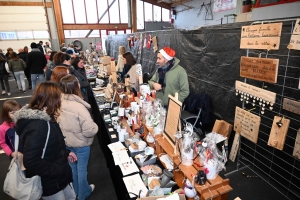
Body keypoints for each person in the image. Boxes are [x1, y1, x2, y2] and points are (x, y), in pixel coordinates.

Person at [14, 82, 76, 200]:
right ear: (52, 100)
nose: (60, 101)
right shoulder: (39, 126)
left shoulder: (45, 118)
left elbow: (51, 144)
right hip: (51, 182)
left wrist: (66, 153)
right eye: (59, 97)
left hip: (58, 178)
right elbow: (31, 161)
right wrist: (58, 170)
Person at [57, 74, 98, 200]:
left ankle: (76, 191)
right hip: (81, 144)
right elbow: (89, 130)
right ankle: (84, 193)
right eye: (78, 83)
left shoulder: (58, 102)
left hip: (67, 144)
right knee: (81, 170)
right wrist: (95, 127)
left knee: (73, 169)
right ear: (75, 87)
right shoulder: (79, 107)